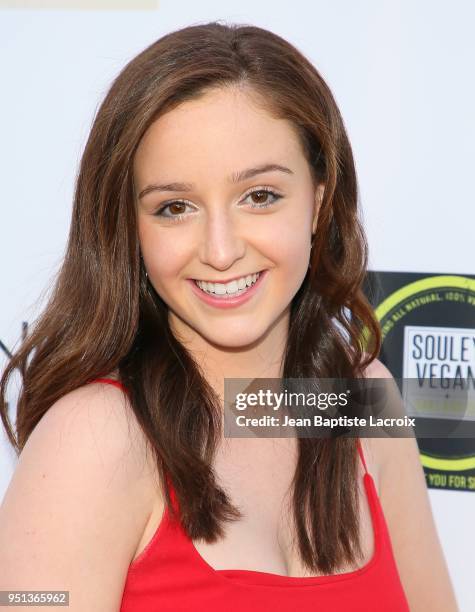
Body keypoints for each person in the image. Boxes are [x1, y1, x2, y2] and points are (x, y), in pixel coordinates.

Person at [0, 21, 457, 611]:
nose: (220, 250)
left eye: (259, 196)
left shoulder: (361, 403)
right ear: (129, 229)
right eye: (174, 207)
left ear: (318, 202)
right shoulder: (96, 439)